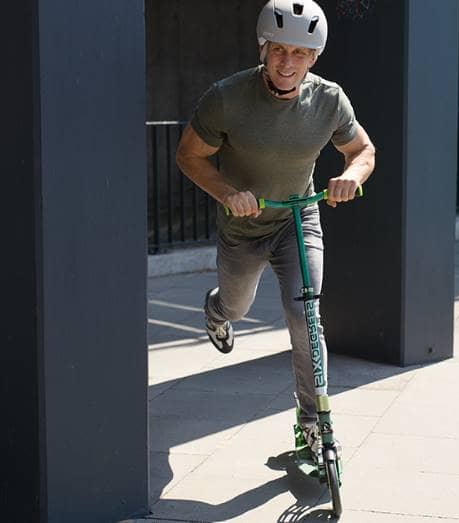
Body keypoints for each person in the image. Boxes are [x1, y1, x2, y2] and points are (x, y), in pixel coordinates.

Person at [174, 0, 375, 457]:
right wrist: (227, 192)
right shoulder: (227, 97)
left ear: (314, 58)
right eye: (280, 50)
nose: (288, 62)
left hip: (297, 219)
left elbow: (363, 151)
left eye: (300, 54)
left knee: (306, 318)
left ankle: (312, 424)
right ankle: (217, 309)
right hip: (242, 226)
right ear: (264, 48)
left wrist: (351, 176)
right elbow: (189, 155)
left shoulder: (328, 99)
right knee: (237, 307)